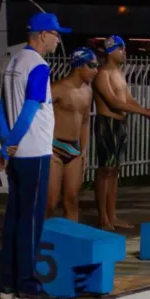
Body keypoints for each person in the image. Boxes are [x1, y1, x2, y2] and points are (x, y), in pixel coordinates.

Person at [0, 11, 71, 299]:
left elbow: (1, 108)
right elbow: (28, 112)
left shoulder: (13, 62)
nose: (58, 38)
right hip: (34, 152)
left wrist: (6, 144)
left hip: (17, 154)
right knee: (31, 222)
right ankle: (28, 287)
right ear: (41, 35)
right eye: (55, 34)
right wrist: (9, 145)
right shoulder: (38, 67)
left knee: (14, 218)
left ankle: (8, 283)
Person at [93, 35, 150, 231]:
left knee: (114, 171)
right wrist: (144, 112)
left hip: (121, 124)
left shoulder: (119, 74)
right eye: (121, 48)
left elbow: (128, 99)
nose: (124, 52)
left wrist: (145, 111)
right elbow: (113, 102)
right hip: (107, 123)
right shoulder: (102, 74)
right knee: (105, 169)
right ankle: (103, 218)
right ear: (110, 51)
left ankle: (112, 215)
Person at [46, 47, 99, 221]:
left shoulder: (88, 91)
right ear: (79, 66)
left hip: (74, 150)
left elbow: (84, 121)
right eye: (92, 66)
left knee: (72, 200)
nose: (95, 71)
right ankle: (41, 238)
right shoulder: (58, 89)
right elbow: (36, 114)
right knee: (50, 201)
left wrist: (84, 151)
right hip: (54, 148)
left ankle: (72, 243)